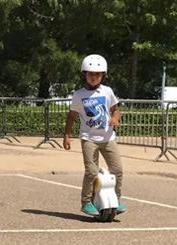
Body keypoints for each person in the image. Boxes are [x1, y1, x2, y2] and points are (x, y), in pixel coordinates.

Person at [63, 54, 126, 216]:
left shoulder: (107, 91)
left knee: (117, 169)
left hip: (108, 138)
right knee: (91, 171)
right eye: (91, 74)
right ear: (84, 74)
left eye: (97, 75)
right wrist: (67, 135)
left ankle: (117, 199)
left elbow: (115, 109)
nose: (94, 78)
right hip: (89, 139)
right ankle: (86, 202)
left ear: (103, 75)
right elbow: (72, 116)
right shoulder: (78, 95)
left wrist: (115, 118)